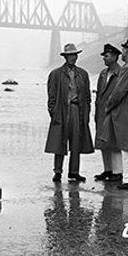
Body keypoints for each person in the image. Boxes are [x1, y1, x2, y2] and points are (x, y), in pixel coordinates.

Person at [44, 41, 94, 182]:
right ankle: (58, 171)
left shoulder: (83, 74)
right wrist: (54, 113)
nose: (73, 57)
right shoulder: (55, 74)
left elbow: (88, 97)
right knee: (59, 142)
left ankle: (74, 172)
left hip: (77, 109)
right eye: (71, 55)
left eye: (75, 55)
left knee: (77, 142)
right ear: (65, 57)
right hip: (61, 111)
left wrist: (86, 113)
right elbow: (51, 97)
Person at [100, 37, 128, 190]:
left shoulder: (127, 68)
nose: (122, 53)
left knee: (126, 142)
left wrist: (109, 105)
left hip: (125, 107)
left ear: (127, 51)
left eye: (124, 50)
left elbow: (119, 91)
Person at [94, 42, 123, 181]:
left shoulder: (121, 73)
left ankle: (118, 172)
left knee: (115, 143)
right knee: (103, 142)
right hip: (101, 112)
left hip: (114, 112)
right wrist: (96, 111)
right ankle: (107, 170)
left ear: (115, 57)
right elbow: (99, 94)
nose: (104, 58)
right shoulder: (103, 73)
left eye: (106, 56)